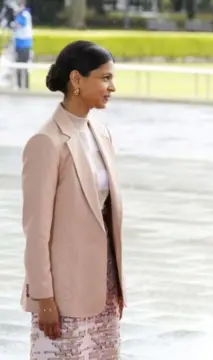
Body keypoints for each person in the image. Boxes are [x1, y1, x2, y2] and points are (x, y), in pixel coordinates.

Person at [20, 40, 124, 359]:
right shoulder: (45, 142)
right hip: (62, 294)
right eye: (105, 78)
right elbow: (36, 231)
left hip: (102, 286)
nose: (113, 87)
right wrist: (44, 298)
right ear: (77, 80)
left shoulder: (100, 133)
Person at [11, 0, 31, 89]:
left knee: (24, 66)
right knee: (18, 66)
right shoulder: (20, 14)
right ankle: (19, 86)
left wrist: (13, 24)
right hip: (18, 44)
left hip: (25, 45)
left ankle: (26, 87)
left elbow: (19, 24)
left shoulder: (24, 14)